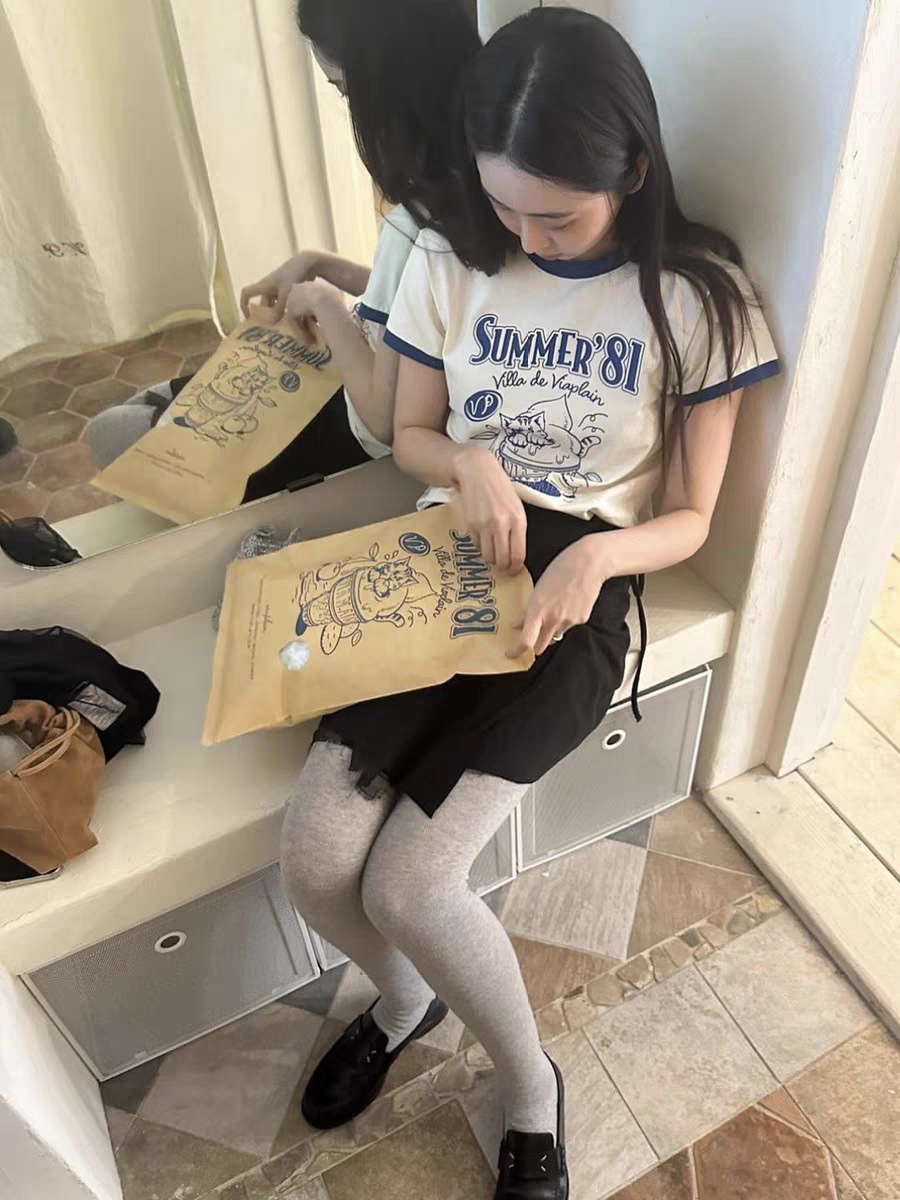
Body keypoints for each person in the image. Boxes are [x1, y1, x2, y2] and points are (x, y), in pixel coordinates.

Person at [280, 8, 779, 1199]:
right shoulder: (455, 255)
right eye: (506, 208)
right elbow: (408, 431)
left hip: (577, 596)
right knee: (315, 858)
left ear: (632, 171)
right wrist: (469, 462)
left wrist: (600, 561)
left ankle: (529, 1093)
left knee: (411, 882)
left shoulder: (700, 298)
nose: (525, 238)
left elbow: (692, 517)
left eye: (557, 218)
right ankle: (402, 1002)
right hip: (443, 559)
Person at [87, 0, 488, 500]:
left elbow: (382, 420)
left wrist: (326, 304)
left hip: (356, 428)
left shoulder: (416, 222)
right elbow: (421, 303)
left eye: (344, 90)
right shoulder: (484, 182)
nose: (350, 110)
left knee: (112, 430)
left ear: (390, 88)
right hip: (353, 381)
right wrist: (322, 265)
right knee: (154, 407)